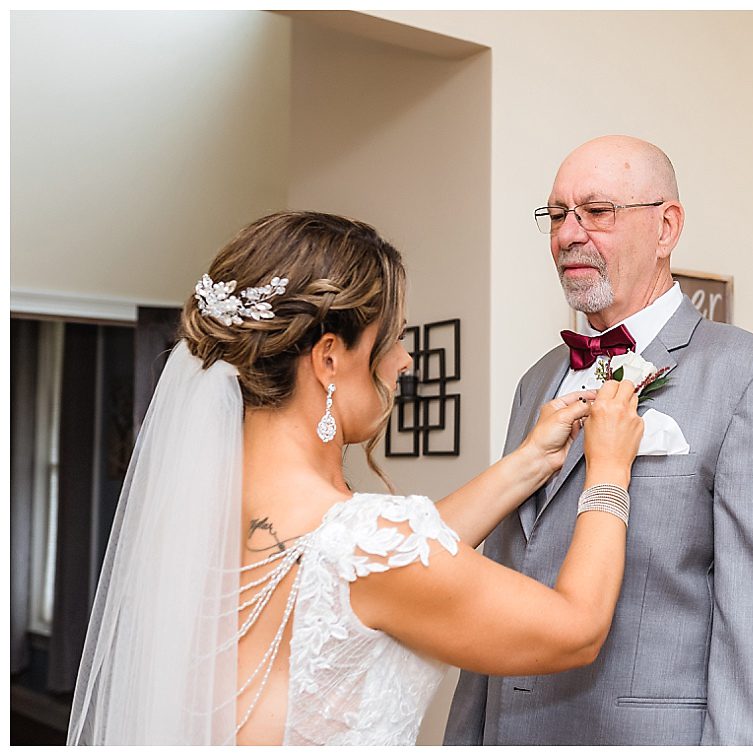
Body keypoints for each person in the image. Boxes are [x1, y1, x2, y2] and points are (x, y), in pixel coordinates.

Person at [67, 211, 647, 745]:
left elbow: (387, 564)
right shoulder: (365, 546)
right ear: (327, 359)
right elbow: (575, 629)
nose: (404, 360)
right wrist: (609, 469)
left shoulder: (203, 513)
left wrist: (528, 462)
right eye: (390, 338)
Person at [447, 135, 753, 745]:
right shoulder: (536, 382)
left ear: (666, 228)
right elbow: (507, 571)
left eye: (596, 212)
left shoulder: (749, 378)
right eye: (558, 214)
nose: (568, 235)